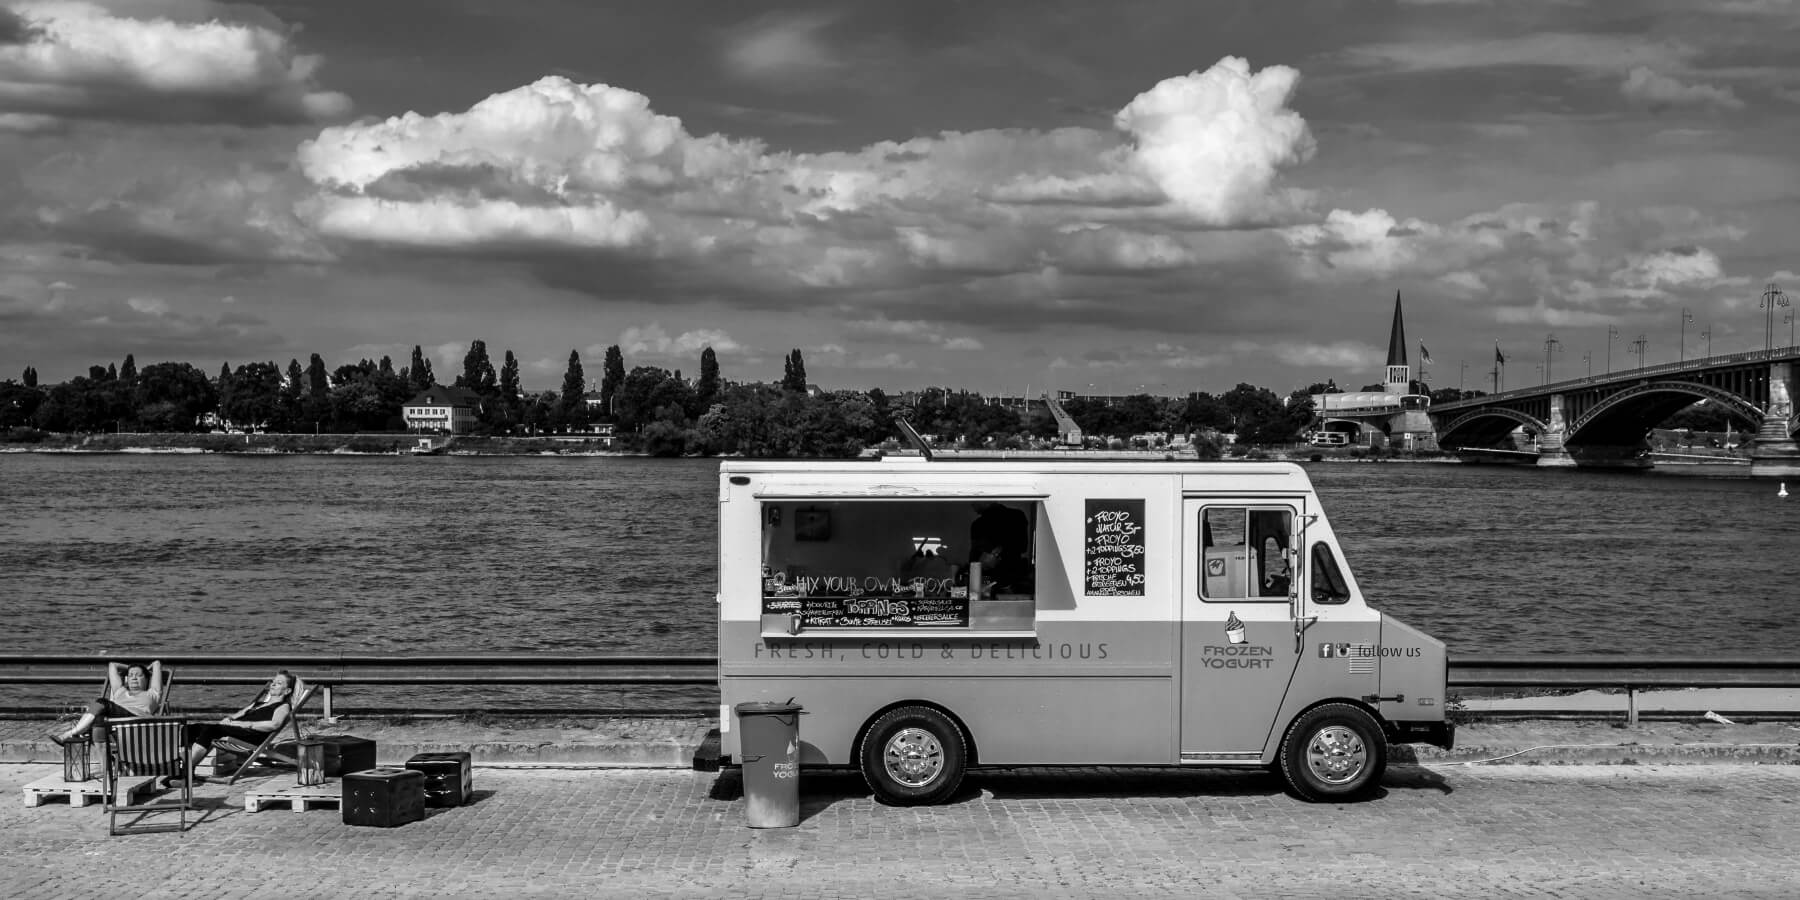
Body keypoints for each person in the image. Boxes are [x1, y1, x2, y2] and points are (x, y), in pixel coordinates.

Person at [173, 670, 301, 786]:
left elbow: (274, 724)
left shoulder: (283, 706)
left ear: (287, 691)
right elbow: (234, 717)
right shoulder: (257, 704)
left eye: (278, 683)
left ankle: (184, 773)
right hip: (236, 730)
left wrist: (246, 724)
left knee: (211, 731)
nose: (273, 684)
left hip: (251, 735)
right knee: (192, 729)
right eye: (273, 681)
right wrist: (228, 720)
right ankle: (185, 769)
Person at [49, 659, 163, 745]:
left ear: (147, 679)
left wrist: (145, 668)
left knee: (102, 702)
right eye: (130, 675)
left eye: (139, 675)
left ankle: (70, 734)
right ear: (127, 679)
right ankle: (105, 767)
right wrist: (131, 667)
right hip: (115, 724)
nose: (134, 678)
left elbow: (157, 663)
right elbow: (112, 665)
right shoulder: (120, 691)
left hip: (137, 721)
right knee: (99, 718)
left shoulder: (153, 693)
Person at [967, 501, 1031, 597]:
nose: (972, 505)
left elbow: (1021, 545)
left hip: (1007, 579)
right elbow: (1022, 546)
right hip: (995, 580)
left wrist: (994, 554)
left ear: (986, 501)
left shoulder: (978, 524)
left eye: (975, 501)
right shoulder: (1016, 515)